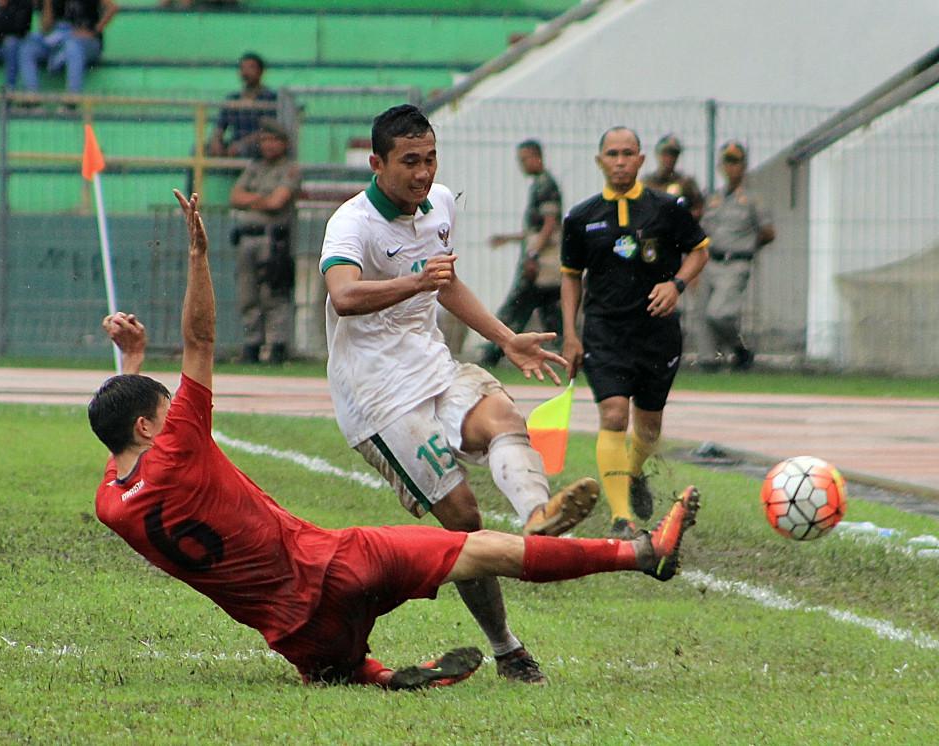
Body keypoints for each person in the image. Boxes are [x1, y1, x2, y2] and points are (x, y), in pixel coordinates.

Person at [89, 189, 701, 689]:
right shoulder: (179, 448)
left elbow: (128, 434)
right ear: (148, 428)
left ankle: (377, 676)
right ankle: (641, 554)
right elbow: (199, 341)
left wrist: (133, 360)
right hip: (335, 567)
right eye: (164, 408)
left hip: (298, 637)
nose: (176, 411)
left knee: (338, 666)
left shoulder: (111, 502)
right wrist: (198, 255)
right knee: (485, 546)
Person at [319, 105, 598, 685]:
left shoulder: (440, 204)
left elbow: (447, 285)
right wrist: (415, 282)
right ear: (377, 163)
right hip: (376, 397)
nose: (423, 174)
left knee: (502, 416)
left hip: (432, 365)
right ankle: (507, 648)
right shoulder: (352, 224)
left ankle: (538, 516)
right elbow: (344, 296)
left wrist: (505, 338)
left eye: (430, 159)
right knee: (464, 522)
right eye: (409, 162)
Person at [561, 126, 709, 539]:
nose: (621, 161)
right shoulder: (580, 217)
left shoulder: (667, 208)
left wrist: (675, 284)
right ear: (600, 161)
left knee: (648, 429)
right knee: (612, 414)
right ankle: (621, 518)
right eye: (613, 153)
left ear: (641, 160)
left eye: (628, 153)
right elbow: (571, 278)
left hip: (657, 333)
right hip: (605, 333)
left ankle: (632, 472)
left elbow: (699, 251)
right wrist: (570, 334)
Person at [480, 139, 564, 368]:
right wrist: (508, 238)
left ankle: (493, 351)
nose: (523, 164)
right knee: (549, 312)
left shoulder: (546, 185)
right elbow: (534, 230)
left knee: (517, 305)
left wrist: (533, 255)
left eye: (525, 159)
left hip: (542, 264)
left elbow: (548, 225)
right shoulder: (540, 184)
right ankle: (570, 352)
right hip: (540, 260)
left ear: (537, 157)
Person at [696, 141, 776, 371]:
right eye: (727, 162)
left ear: (743, 166)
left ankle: (739, 348)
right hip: (711, 260)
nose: (731, 167)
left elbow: (768, 232)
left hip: (735, 262)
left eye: (736, 162)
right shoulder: (714, 198)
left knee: (719, 313)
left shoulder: (752, 199)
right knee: (703, 317)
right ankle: (708, 363)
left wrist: (747, 246)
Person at [228, 120, 302, 364]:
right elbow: (235, 196)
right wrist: (262, 199)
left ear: (284, 143)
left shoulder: (289, 169)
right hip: (247, 236)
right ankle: (252, 346)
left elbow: (277, 202)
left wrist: (252, 200)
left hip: (272, 239)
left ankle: (276, 346)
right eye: (265, 140)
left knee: (273, 293)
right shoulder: (254, 167)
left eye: (274, 140)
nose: (268, 145)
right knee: (247, 294)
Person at [16, 0, 119, 102]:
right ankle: (32, 97)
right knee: (27, 48)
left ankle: (72, 100)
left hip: (87, 42)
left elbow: (112, 8)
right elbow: (46, 28)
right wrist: (48, 3)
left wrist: (94, 31)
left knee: (72, 47)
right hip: (59, 39)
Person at [206, 53, 279, 159]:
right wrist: (216, 141)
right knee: (197, 150)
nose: (245, 72)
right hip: (234, 145)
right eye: (242, 68)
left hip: (257, 145)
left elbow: (268, 130)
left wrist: (242, 144)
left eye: (251, 67)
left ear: (261, 71)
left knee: (244, 151)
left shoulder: (270, 98)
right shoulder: (233, 98)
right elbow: (220, 126)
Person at [642, 134, 704, 219]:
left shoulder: (686, 183)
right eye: (665, 153)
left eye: (673, 154)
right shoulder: (646, 183)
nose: (669, 158)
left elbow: (699, 209)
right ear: (658, 154)